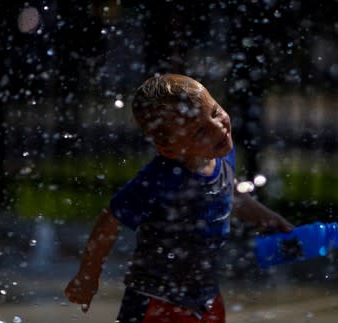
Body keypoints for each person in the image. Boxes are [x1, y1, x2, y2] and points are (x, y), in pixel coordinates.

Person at [65, 74, 293, 322]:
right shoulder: (159, 179)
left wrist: (268, 219)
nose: (219, 127)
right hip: (156, 301)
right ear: (169, 148)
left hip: (205, 296)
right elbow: (110, 219)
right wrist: (88, 275)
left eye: (215, 112)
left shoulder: (220, 154)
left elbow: (232, 194)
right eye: (200, 131)